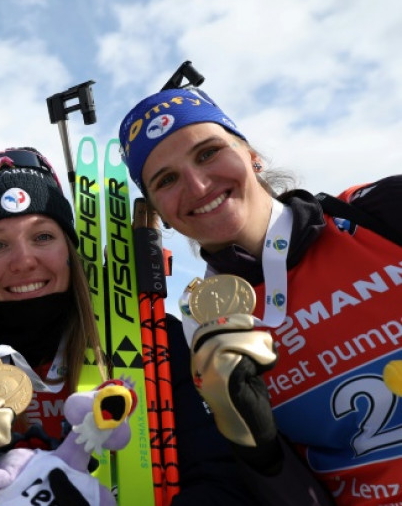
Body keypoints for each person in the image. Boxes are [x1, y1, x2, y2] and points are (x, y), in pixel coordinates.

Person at [119, 83, 402, 506]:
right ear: (161, 215)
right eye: (167, 179)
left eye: (208, 152)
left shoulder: (379, 212)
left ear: (253, 157)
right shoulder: (201, 334)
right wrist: (259, 450)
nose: (197, 186)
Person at [0, 147, 111, 504]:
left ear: (69, 250)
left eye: (42, 237)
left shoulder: (155, 340)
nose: (23, 261)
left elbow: (214, 477)